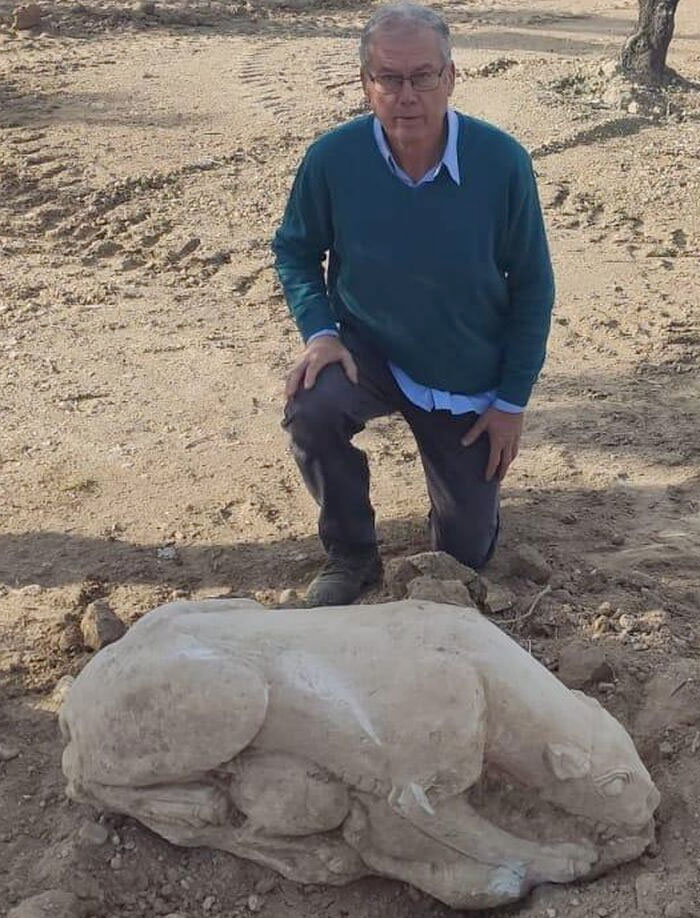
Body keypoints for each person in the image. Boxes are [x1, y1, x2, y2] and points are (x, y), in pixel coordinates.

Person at [273, 2, 555, 607]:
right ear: (365, 84)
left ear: (451, 77)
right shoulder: (332, 160)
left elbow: (533, 284)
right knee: (310, 406)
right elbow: (296, 251)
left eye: (423, 76)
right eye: (389, 78)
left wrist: (510, 404)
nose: (407, 95)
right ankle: (350, 553)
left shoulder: (501, 162)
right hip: (367, 351)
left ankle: (459, 520)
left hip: (464, 367)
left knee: (462, 557)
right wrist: (321, 333)